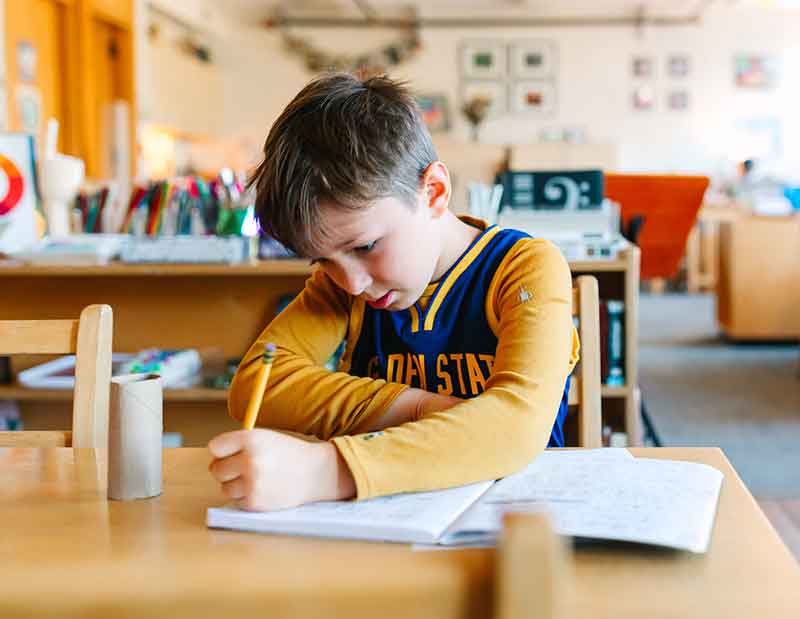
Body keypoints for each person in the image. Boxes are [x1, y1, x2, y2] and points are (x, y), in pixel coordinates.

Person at [208, 73, 580, 511]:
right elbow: (256, 385)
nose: (351, 282)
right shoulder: (343, 283)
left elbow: (516, 427)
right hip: (382, 517)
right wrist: (419, 408)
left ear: (434, 192)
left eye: (365, 247)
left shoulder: (524, 268)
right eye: (323, 260)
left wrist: (329, 469)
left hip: (514, 518)